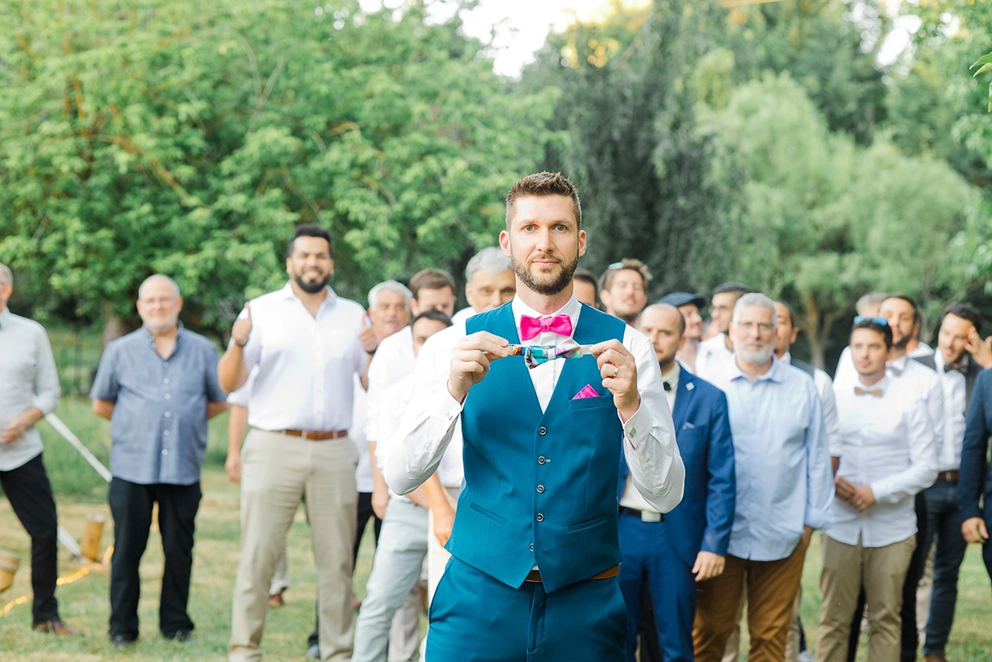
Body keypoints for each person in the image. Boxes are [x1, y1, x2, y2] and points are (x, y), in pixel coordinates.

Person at [386, 171, 685, 661]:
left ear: (581, 241)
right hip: (478, 599)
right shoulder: (452, 345)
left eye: (559, 228)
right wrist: (451, 393)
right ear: (508, 241)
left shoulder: (630, 347)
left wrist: (630, 406)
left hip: (586, 606)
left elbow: (666, 494)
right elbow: (401, 475)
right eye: (529, 228)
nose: (544, 243)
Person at [219, 224, 373, 662]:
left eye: (320, 256)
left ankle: (337, 651)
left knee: (338, 563)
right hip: (274, 446)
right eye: (304, 255)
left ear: (330, 263)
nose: (312, 263)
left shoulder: (354, 315)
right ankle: (244, 651)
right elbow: (230, 383)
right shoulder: (261, 311)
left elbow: (369, 382)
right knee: (258, 557)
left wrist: (375, 350)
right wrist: (237, 341)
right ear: (290, 262)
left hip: (335, 450)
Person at [693, 293, 833, 662]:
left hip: (783, 532)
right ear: (731, 330)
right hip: (720, 535)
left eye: (764, 325)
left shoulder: (802, 386)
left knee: (770, 637)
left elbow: (817, 457)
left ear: (778, 332)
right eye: (747, 325)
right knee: (708, 633)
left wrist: (808, 526)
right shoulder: (709, 383)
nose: (755, 333)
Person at [91, 274, 228, 645]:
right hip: (131, 467)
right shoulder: (120, 350)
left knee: (179, 550)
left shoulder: (202, 350)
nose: (158, 306)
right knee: (126, 552)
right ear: (139, 307)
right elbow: (102, 403)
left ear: (178, 304)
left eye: (165, 300)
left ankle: (176, 623)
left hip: (183, 467)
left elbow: (217, 401)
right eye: (150, 301)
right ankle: (122, 627)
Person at [816, 316, 937, 661]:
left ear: (888, 350)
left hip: (892, 528)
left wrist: (876, 492)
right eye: (857, 346)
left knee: (886, 618)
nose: (864, 354)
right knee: (833, 618)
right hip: (840, 525)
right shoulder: (833, 397)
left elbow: (927, 466)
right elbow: (817, 454)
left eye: (873, 346)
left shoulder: (910, 399)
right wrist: (832, 479)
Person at [619, 304, 735, 662]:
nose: (654, 339)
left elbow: (722, 478)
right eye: (647, 330)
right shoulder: (615, 389)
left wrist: (714, 544)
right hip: (621, 529)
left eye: (665, 332)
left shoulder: (709, 399)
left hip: (677, 536)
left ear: (683, 339)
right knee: (615, 637)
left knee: (676, 643)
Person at [351, 310, 453, 662]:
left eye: (437, 340)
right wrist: (439, 508)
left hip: (462, 507)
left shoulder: (477, 389)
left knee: (452, 605)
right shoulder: (397, 395)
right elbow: (393, 465)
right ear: (412, 345)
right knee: (381, 600)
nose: (429, 348)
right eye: (422, 340)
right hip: (411, 507)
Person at [0, 263, 78, 636]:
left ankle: (45, 616)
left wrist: (26, 419)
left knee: (45, 531)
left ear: (6, 290)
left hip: (21, 452)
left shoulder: (32, 333)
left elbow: (50, 392)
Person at [921, 304, 990, 662]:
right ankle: (903, 648)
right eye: (946, 332)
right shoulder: (915, 370)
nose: (949, 342)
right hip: (923, 486)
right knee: (912, 571)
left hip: (963, 487)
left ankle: (934, 650)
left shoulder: (983, 375)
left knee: (948, 573)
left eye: (960, 336)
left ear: (972, 339)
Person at [695, 282, 749, 380]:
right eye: (714, 308)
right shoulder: (704, 352)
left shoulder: (761, 348)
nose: (715, 315)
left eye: (723, 308)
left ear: (743, 310)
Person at [450, 247, 515, 324]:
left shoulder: (531, 332)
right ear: (469, 293)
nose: (497, 301)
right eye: (487, 291)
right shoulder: (453, 333)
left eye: (507, 291)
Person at [657, 292, 706, 373]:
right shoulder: (662, 362)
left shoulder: (716, 353)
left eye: (697, 313)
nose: (698, 319)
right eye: (688, 314)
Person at [598, 258, 651, 325]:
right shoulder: (590, 333)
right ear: (605, 296)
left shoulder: (651, 335)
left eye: (637, 287)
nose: (630, 292)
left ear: (644, 299)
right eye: (622, 286)